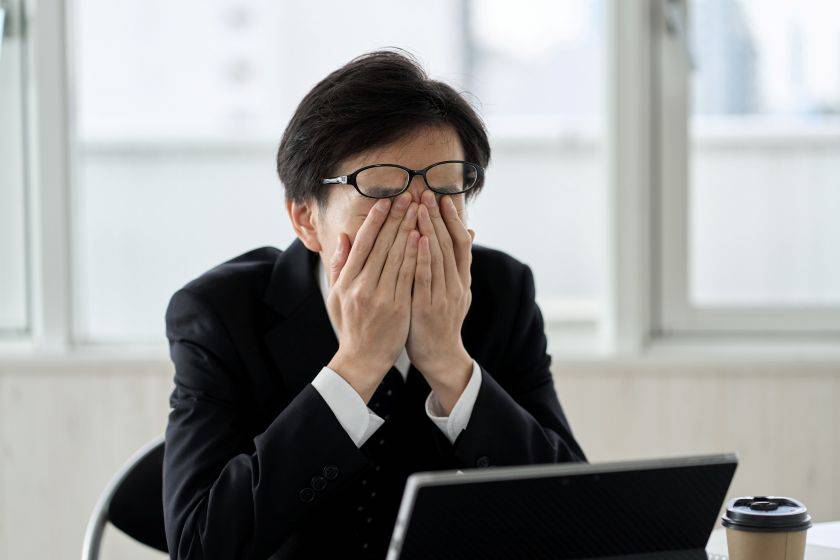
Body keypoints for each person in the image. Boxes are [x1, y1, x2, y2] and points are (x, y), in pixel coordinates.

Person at [162, 48, 586, 560]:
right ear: (305, 220)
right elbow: (201, 546)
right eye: (382, 194)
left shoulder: (501, 292)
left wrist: (449, 363)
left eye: (444, 192)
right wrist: (357, 364)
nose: (417, 220)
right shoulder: (220, 315)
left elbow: (576, 520)